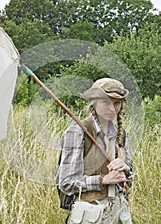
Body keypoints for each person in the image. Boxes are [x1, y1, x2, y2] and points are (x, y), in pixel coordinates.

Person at [56, 78, 134, 224]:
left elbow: (131, 180)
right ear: (94, 102)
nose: (112, 109)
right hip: (89, 215)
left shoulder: (122, 134)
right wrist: (102, 180)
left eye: (117, 103)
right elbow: (66, 183)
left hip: (119, 212)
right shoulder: (77, 132)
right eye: (106, 102)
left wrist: (126, 170)